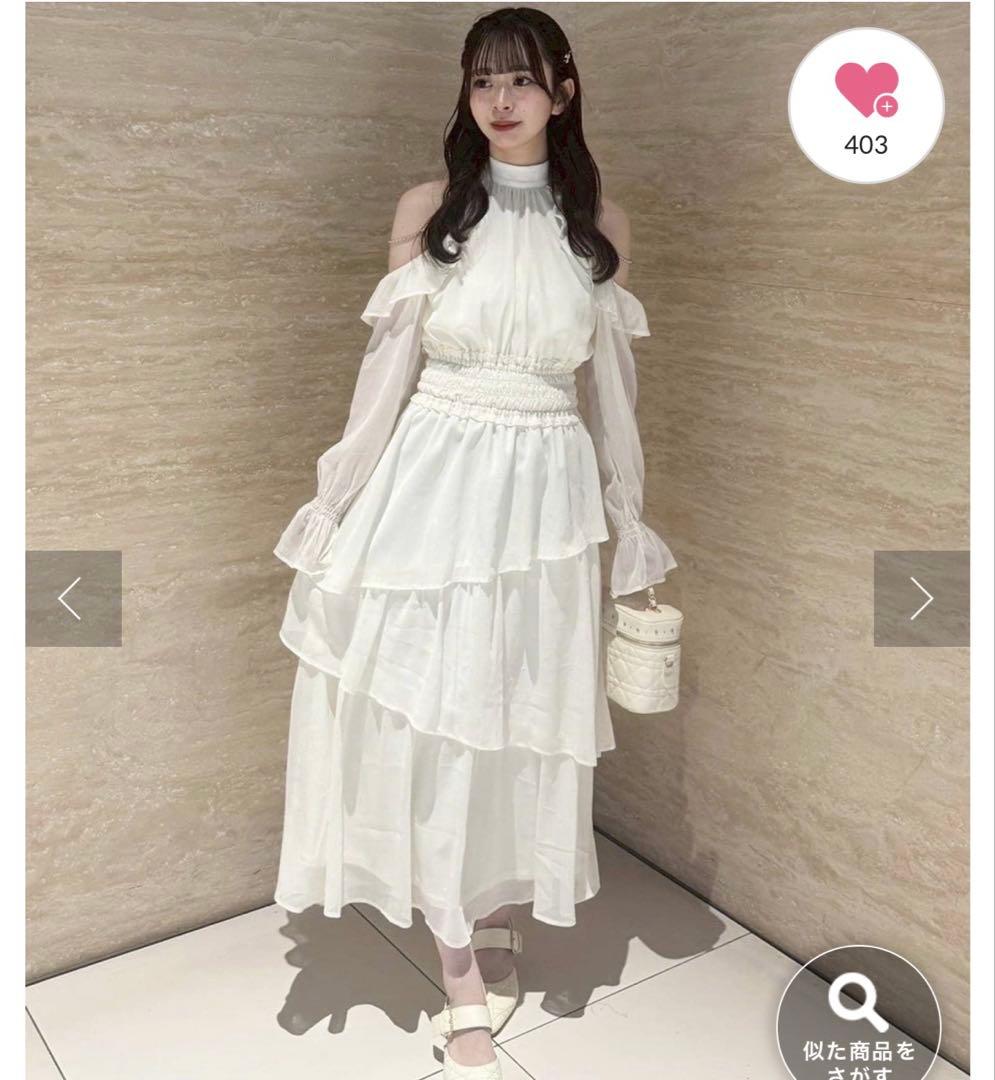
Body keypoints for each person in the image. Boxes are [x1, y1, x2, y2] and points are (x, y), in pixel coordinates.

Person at [271, 8, 677, 1077]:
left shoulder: (600, 226)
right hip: (432, 481)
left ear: (563, 92)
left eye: (522, 81)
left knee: (515, 708)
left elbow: (614, 397)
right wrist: (334, 502)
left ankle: (490, 902)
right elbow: (383, 381)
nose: (501, 101)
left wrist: (630, 520)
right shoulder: (429, 212)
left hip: (544, 497)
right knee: (439, 708)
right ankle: (458, 969)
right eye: (483, 81)